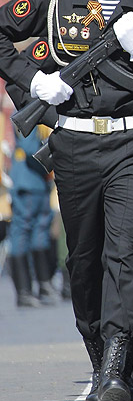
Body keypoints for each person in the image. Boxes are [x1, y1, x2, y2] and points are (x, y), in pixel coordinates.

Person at [0, 0, 133, 401]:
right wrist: (31, 85)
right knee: (84, 260)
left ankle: (118, 360)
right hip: (75, 143)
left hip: (132, 144)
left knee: (127, 253)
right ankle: (99, 354)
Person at [6, 126, 56, 307]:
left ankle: (43, 284)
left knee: (40, 231)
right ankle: (24, 290)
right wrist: (52, 163)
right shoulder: (26, 110)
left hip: (39, 182)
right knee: (22, 231)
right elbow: (29, 149)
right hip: (28, 180)